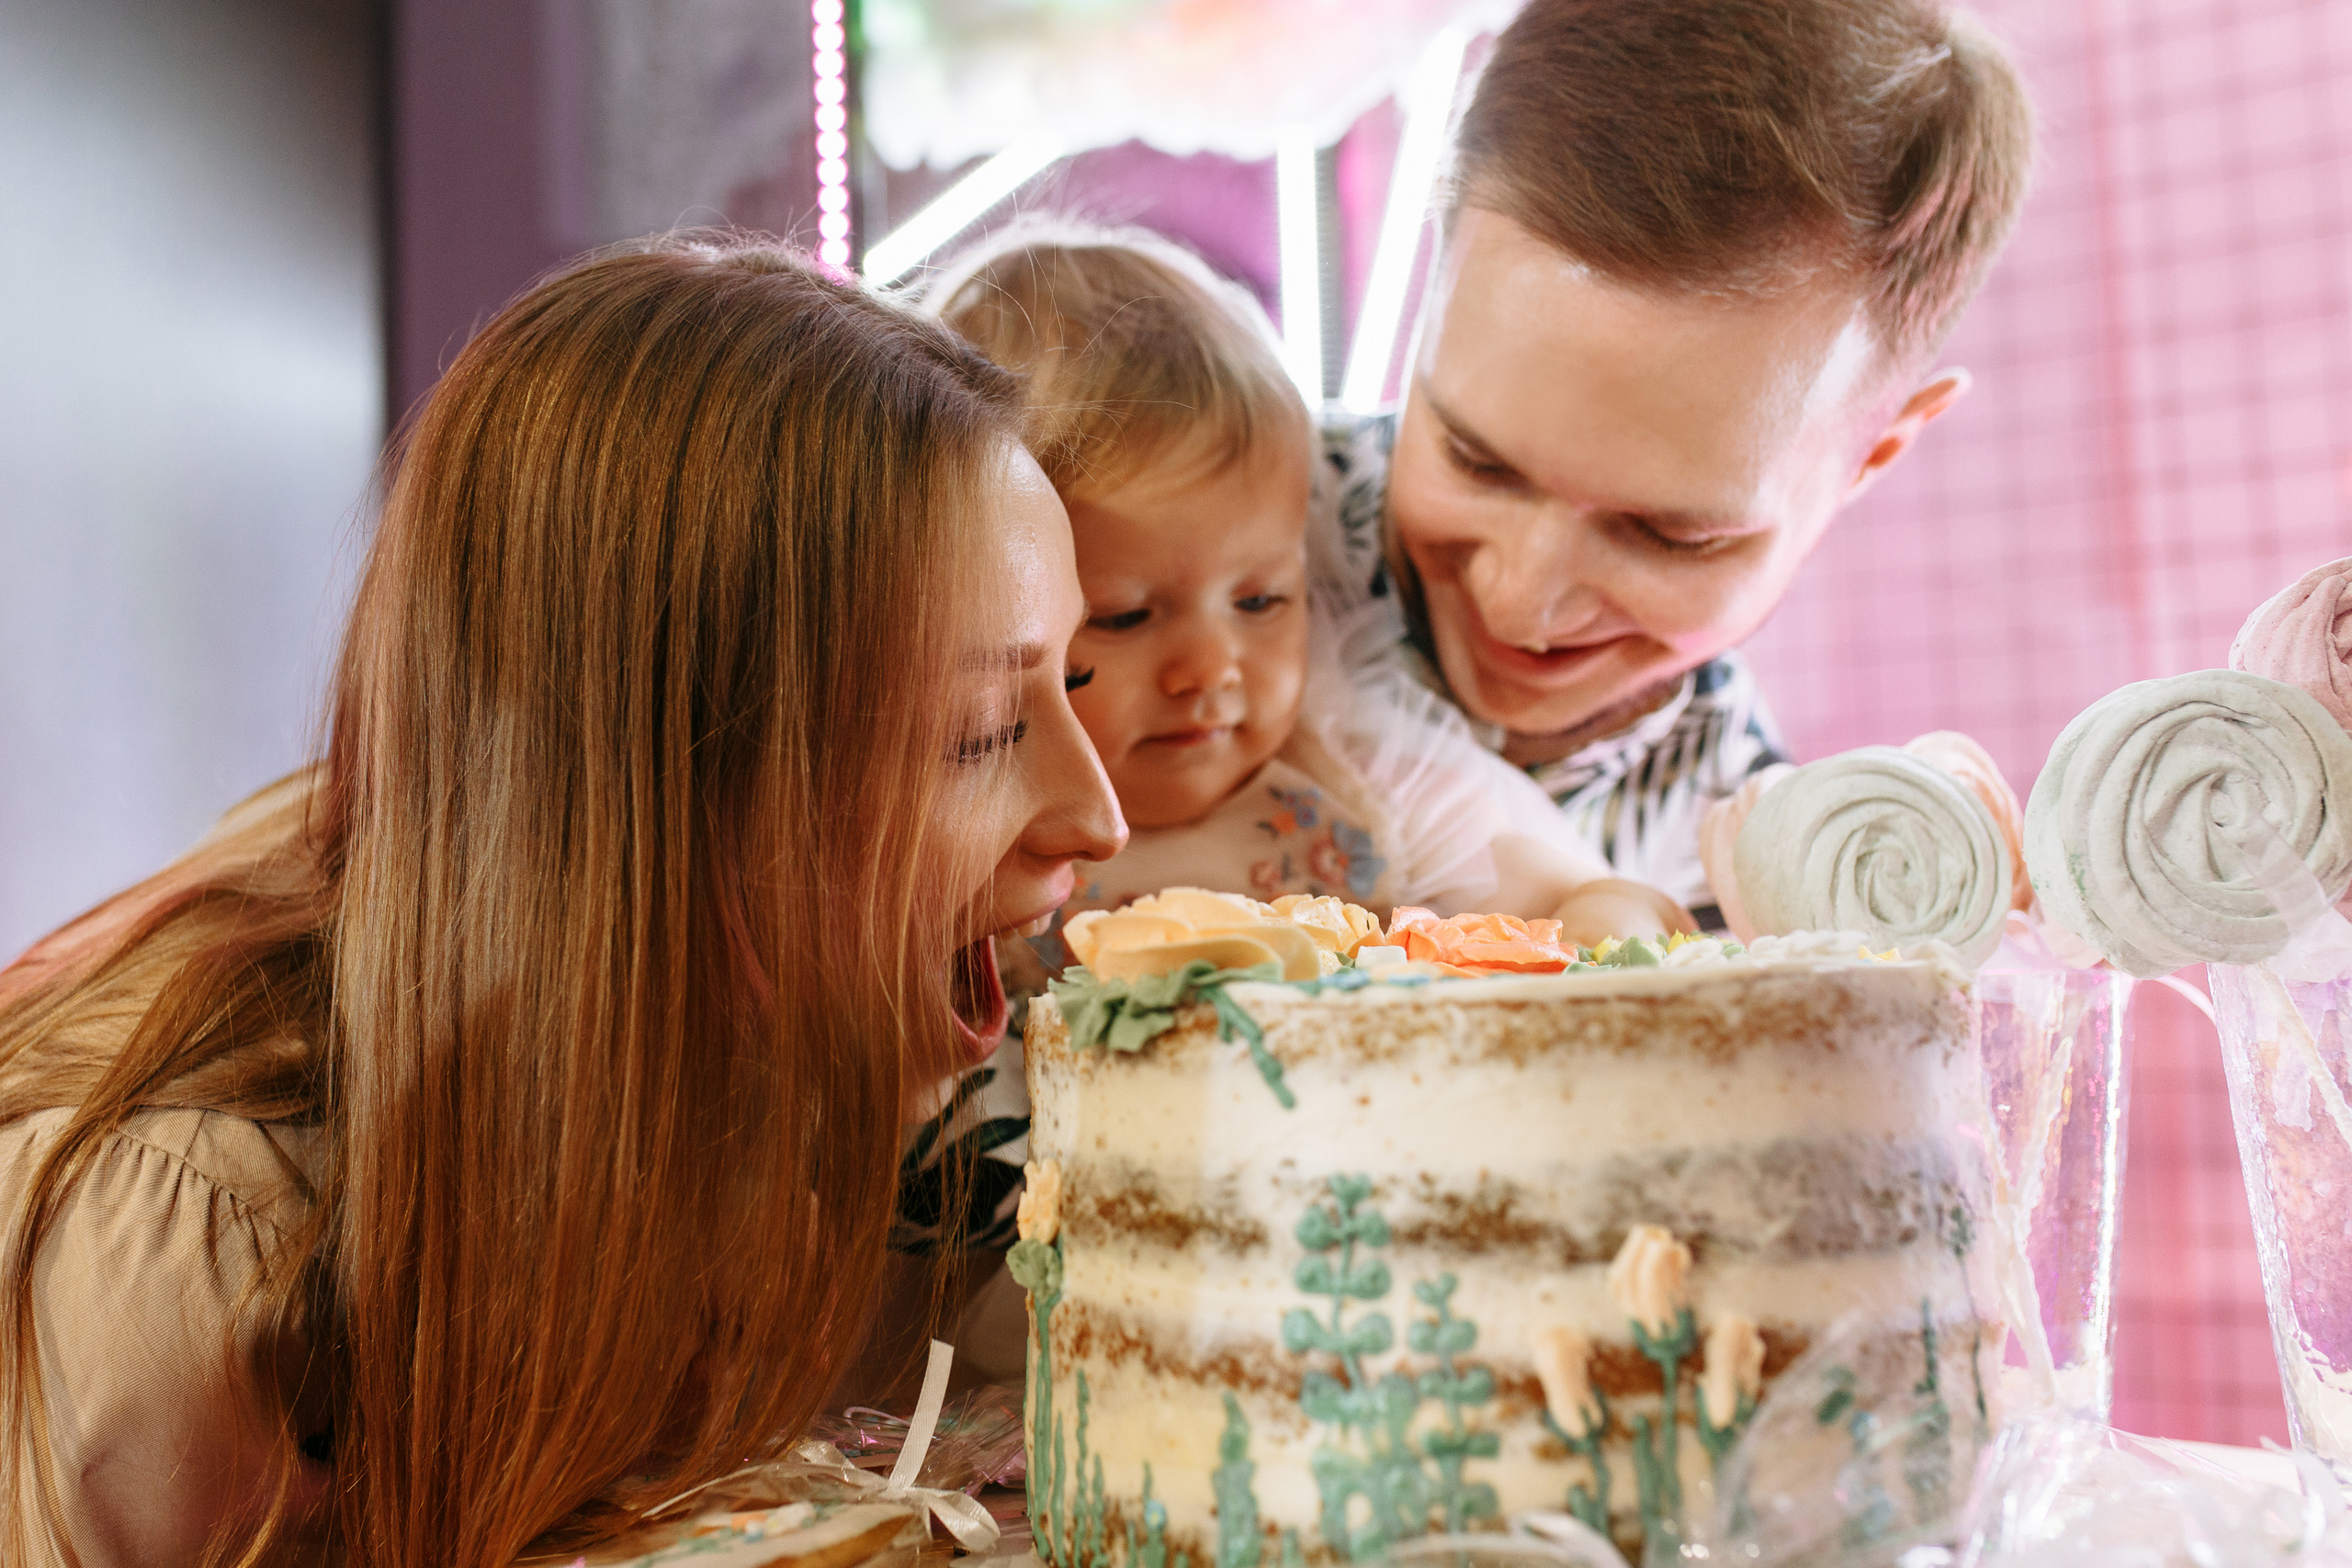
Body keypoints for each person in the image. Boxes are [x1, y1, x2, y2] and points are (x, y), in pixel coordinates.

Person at [0, 235, 1122, 1566]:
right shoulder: (181, 1252)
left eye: (1074, 682)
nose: (1098, 819)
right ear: (655, 784)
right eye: (980, 732)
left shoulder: (800, 1074)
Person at [1317, 0, 2035, 924]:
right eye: (1475, 460)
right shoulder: (1164, 521)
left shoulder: (1751, 875)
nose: (1521, 603)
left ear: (1871, 456)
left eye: (1670, 535)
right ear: (1430, 310)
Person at [923, 222, 1689, 948]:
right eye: (1125, 616)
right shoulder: (933, 825)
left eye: (1259, 601)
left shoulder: (1359, 775)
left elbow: (1590, 902)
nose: (1210, 669)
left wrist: (1600, 930)